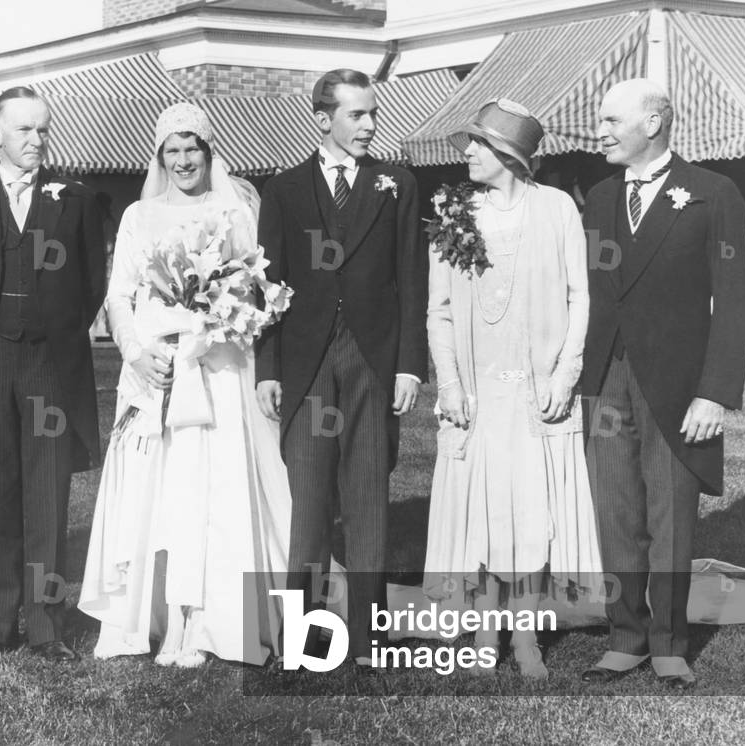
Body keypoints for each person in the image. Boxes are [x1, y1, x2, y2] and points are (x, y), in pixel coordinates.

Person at [78, 102, 291, 667]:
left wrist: (216, 319)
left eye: (191, 148)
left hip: (217, 371)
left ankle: (206, 620)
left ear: (208, 150)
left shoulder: (234, 210)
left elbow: (255, 289)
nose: (182, 160)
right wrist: (138, 351)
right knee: (160, 490)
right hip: (155, 374)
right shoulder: (137, 216)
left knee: (211, 487)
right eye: (171, 151)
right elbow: (119, 295)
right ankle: (157, 618)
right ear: (158, 156)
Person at [580, 79, 745, 690]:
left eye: (609, 119)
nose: (598, 129)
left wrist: (715, 391)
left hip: (679, 387)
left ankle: (670, 644)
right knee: (616, 513)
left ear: (653, 123)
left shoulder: (714, 193)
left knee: (671, 517)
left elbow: (734, 301)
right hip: (604, 379)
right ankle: (625, 638)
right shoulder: (598, 196)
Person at [421, 100, 602, 678]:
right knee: (483, 511)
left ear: (508, 155)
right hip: (476, 395)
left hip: (536, 393)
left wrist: (565, 373)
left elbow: (580, 297)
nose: (467, 153)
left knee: (530, 513)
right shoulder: (454, 212)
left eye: (477, 143)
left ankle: (524, 636)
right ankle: (482, 631)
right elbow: (439, 311)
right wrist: (449, 384)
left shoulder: (556, 211)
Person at [255, 69, 427, 667]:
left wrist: (408, 366)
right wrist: (268, 369)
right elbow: (267, 285)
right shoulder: (283, 191)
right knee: (308, 509)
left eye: (373, 113)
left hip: (373, 363)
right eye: (358, 115)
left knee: (368, 504)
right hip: (305, 365)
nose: (371, 125)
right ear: (323, 118)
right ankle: (302, 644)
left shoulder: (397, 184)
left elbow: (412, 279)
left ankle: (372, 642)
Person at [0, 87, 106, 663]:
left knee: (48, 495)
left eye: (44, 130)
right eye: (24, 130)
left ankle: (46, 627)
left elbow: (90, 284)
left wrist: (50, 326)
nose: (36, 141)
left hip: (48, 364)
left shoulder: (74, 199)